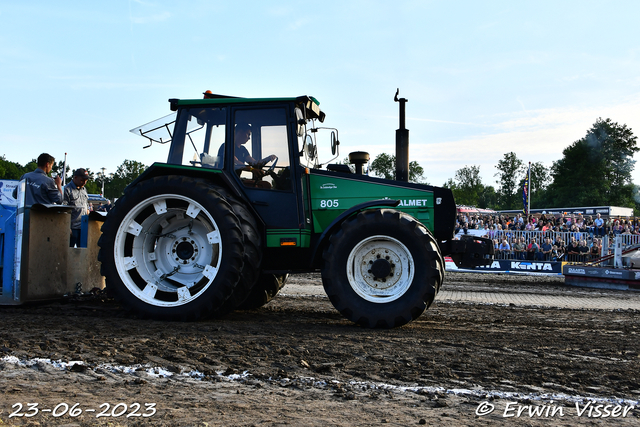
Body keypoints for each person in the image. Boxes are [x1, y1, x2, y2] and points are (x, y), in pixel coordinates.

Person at [63, 168, 90, 247]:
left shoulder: (84, 189)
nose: (84, 183)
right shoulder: (67, 190)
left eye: (86, 180)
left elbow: (86, 204)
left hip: (83, 227)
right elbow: (65, 210)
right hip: (72, 228)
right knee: (69, 250)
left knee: (82, 251)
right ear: (75, 178)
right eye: (82, 180)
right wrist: (67, 227)